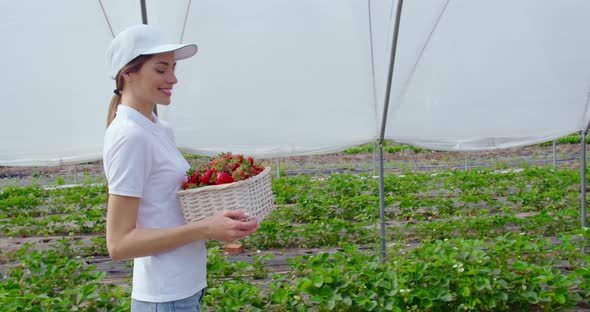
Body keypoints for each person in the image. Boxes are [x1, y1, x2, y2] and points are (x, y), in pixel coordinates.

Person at [103, 24, 259, 311]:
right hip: (165, 298)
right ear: (128, 73)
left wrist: (223, 217)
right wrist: (206, 229)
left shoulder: (158, 129)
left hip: (185, 288)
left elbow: (166, 208)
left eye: (173, 68)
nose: (173, 78)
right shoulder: (129, 136)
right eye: (161, 69)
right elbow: (119, 244)